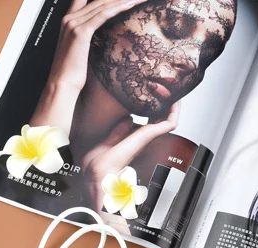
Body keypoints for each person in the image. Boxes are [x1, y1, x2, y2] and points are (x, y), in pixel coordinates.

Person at [30, 0, 237, 219]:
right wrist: (62, 86)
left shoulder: (176, 161)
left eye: (208, 52)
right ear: (101, 18)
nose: (193, 62)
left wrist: (103, 184)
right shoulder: (8, 96)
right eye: (175, 28)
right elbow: (20, 195)